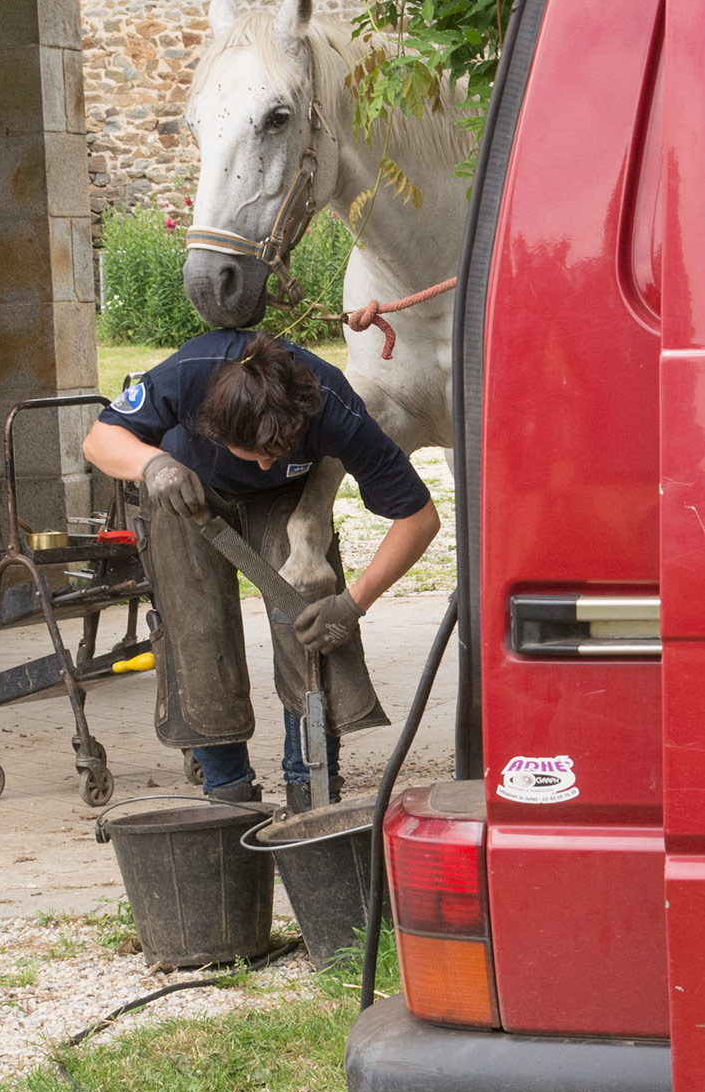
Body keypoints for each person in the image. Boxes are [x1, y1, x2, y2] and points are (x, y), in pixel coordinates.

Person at [81, 330, 442, 803]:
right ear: (215, 425)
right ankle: (226, 790)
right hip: (185, 487)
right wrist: (153, 465)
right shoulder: (191, 375)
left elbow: (420, 517)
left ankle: (309, 782)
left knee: (308, 615)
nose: (268, 463)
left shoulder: (333, 406)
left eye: (279, 453)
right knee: (197, 625)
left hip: (286, 499)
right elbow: (99, 439)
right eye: (258, 454)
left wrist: (354, 604)